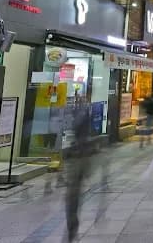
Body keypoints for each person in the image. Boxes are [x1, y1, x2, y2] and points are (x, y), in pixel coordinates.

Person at [65, 98, 91, 241]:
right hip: (77, 165)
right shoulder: (82, 142)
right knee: (72, 198)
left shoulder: (79, 144)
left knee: (72, 197)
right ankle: (72, 224)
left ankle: (72, 224)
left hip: (76, 166)